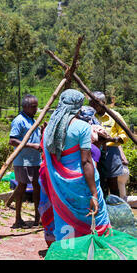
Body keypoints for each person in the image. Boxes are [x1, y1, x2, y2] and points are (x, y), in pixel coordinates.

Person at [40, 89, 111, 246]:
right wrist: (93, 193)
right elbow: (86, 162)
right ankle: (96, 253)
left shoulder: (48, 129)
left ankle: (67, 252)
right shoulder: (82, 127)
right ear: (79, 106)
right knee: (96, 220)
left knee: (65, 220)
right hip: (84, 184)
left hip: (60, 186)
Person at [8, 94, 42, 228]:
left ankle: (37, 219)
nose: (35, 109)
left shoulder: (32, 120)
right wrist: (31, 145)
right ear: (26, 107)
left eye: (36, 107)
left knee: (37, 188)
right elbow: (12, 140)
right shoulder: (19, 121)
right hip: (23, 161)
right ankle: (18, 219)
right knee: (21, 188)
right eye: (33, 107)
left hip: (35, 160)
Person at [89, 91, 129, 197]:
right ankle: (103, 206)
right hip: (94, 151)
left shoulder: (114, 116)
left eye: (95, 103)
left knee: (113, 182)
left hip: (111, 152)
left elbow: (124, 135)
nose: (92, 106)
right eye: (91, 103)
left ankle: (115, 205)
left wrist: (111, 139)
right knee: (99, 181)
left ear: (103, 102)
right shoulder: (90, 116)